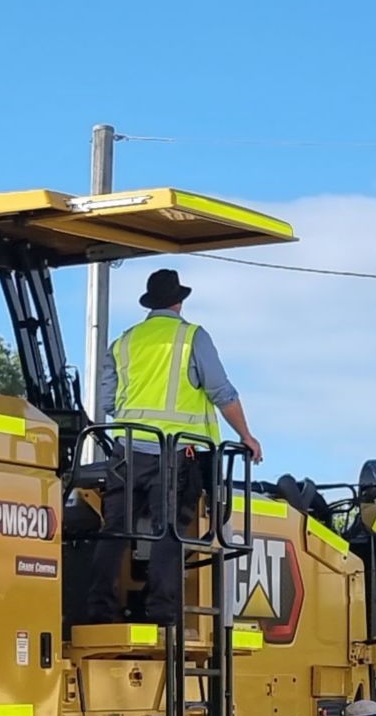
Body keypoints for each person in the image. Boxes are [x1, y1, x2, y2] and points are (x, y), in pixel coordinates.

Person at [84, 268, 263, 625]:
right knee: (169, 531)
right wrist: (247, 435)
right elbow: (221, 392)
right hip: (174, 454)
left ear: (151, 303)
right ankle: (163, 612)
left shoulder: (124, 342)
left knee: (115, 530)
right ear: (179, 301)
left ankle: (99, 609)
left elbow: (106, 402)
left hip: (127, 452)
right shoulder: (192, 338)